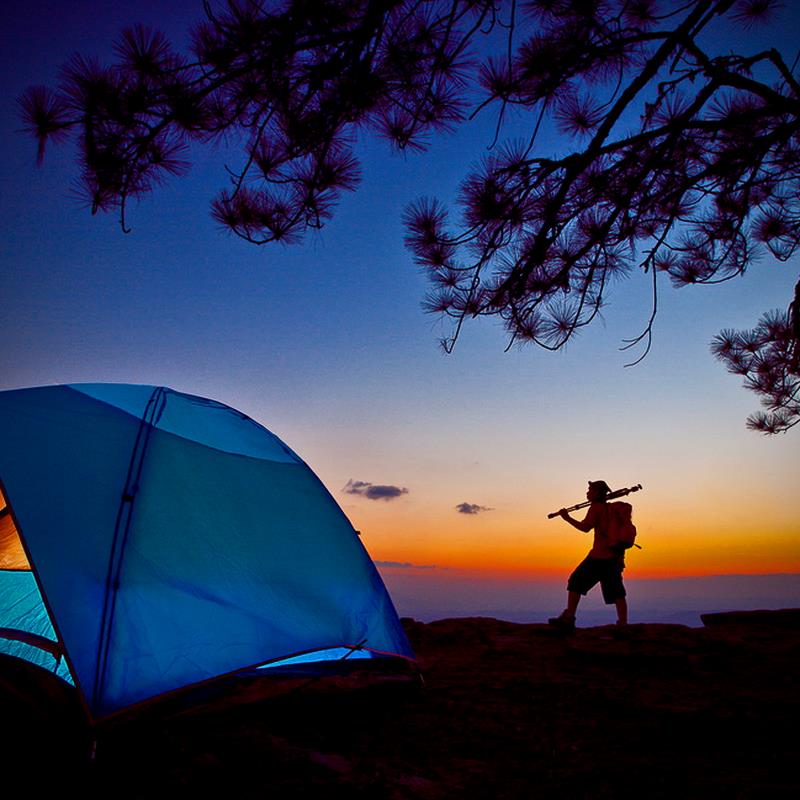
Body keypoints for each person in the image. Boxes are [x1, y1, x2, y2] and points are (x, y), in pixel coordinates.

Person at [548, 480, 628, 630]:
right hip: (614, 557)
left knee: (575, 582)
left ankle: (569, 617)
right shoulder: (609, 508)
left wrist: (567, 518)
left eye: (590, 490)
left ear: (596, 493)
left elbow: (585, 528)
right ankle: (623, 624)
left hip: (599, 556)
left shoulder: (596, 508)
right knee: (617, 591)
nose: (587, 492)